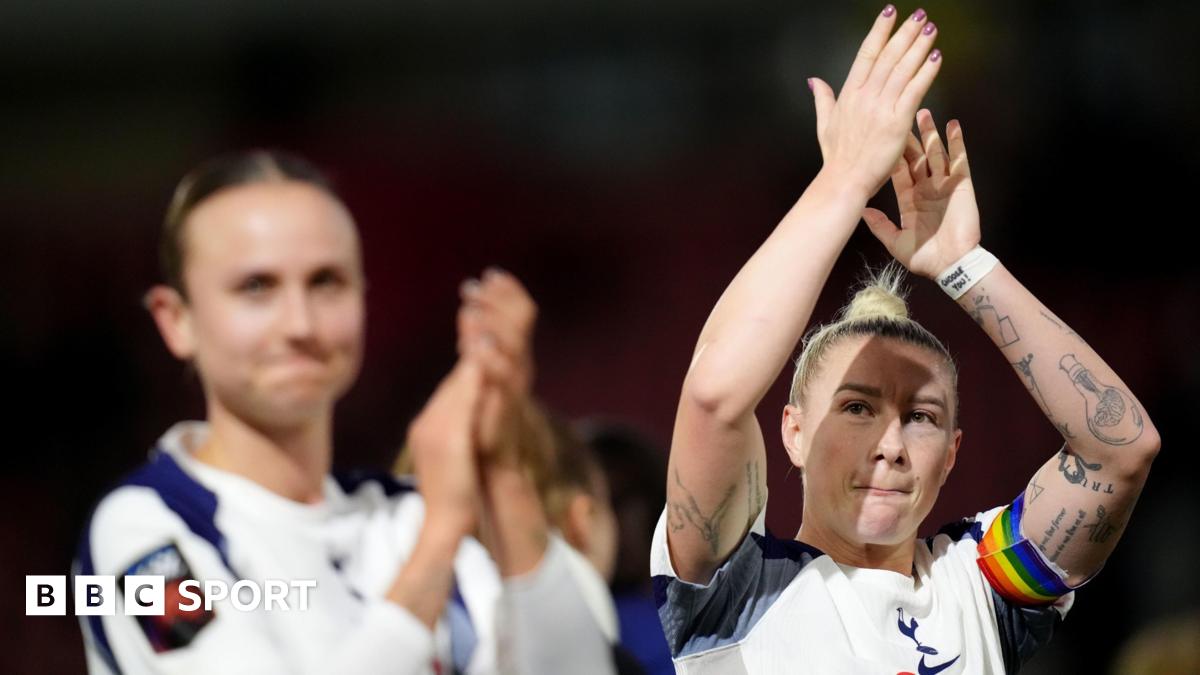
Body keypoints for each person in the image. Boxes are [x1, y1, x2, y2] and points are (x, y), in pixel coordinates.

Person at [651, 5, 1162, 674]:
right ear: (794, 431)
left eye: (919, 417)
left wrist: (966, 265)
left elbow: (1121, 450)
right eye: (857, 407)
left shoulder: (979, 580)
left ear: (952, 454)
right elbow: (716, 394)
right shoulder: (733, 587)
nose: (890, 447)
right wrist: (842, 184)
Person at [74, 150, 616, 674]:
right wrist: (442, 534)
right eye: (256, 287)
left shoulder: (400, 516)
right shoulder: (145, 533)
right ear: (176, 321)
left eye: (326, 282)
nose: (300, 325)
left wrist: (499, 471)